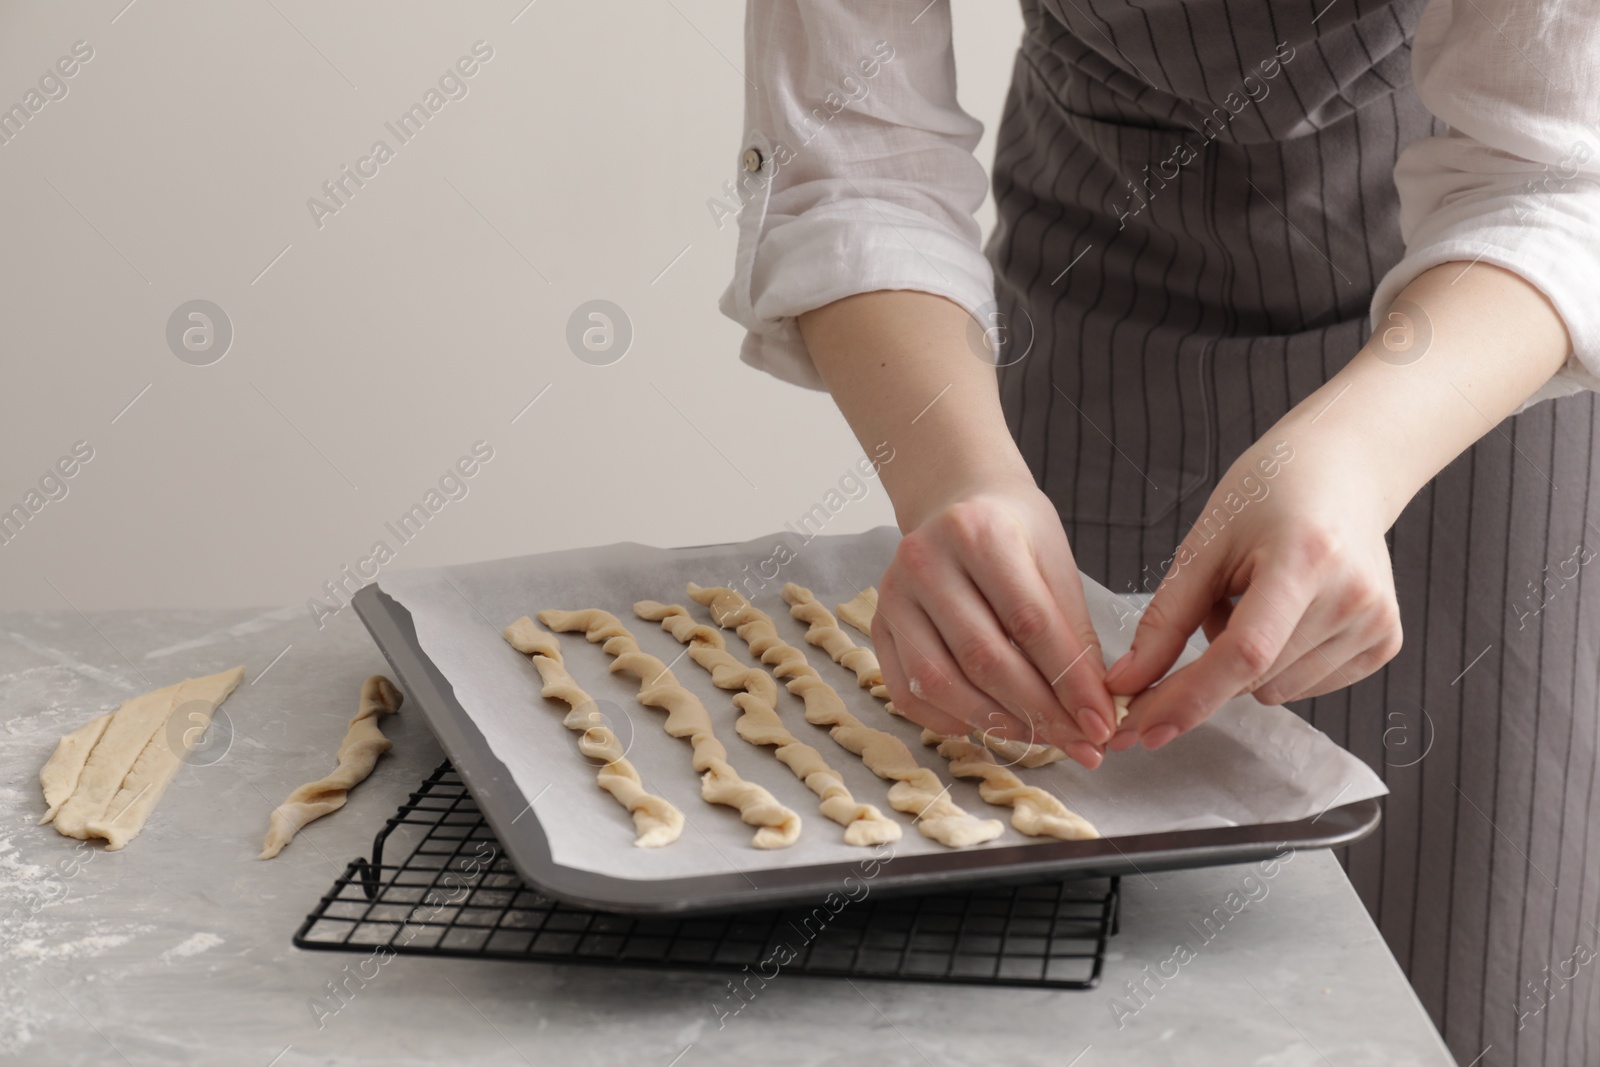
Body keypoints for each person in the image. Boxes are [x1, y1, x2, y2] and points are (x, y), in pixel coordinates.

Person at [719, 1, 1600, 1062]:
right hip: (1092, 308)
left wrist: (1357, 458)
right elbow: (855, 153)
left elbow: (1549, 176)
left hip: (1477, 353)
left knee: (1476, 951)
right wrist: (957, 479)